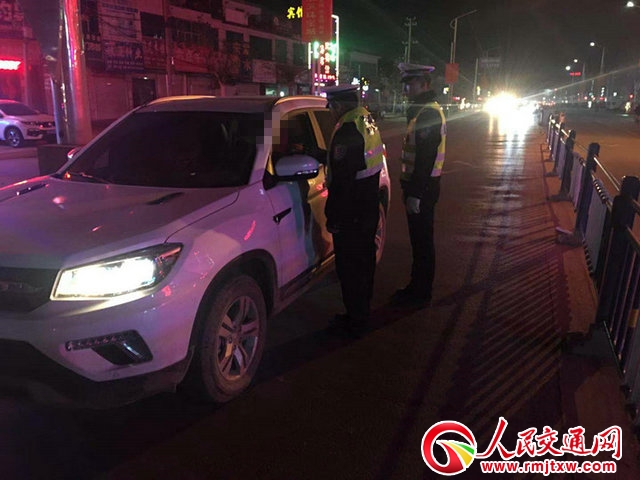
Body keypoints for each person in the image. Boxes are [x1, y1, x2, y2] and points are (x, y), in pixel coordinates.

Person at [324, 84, 385, 337]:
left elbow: (342, 181)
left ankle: (355, 322)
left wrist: (333, 217)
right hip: (368, 206)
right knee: (364, 265)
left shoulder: (347, 130)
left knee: (350, 269)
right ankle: (361, 314)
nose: (330, 112)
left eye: (331, 107)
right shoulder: (365, 119)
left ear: (339, 106)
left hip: (352, 213)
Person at [391, 63, 446, 307]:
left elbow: (426, 157)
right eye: (405, 84)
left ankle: (421, 292)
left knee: (422, 241)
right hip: (420, 185)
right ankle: (417, 287)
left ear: (424, 84)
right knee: (419, 240)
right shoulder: (421, 110)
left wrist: (415, 193)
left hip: (423, 187)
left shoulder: (428, 113)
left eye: (410, 84)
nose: (406, 89)